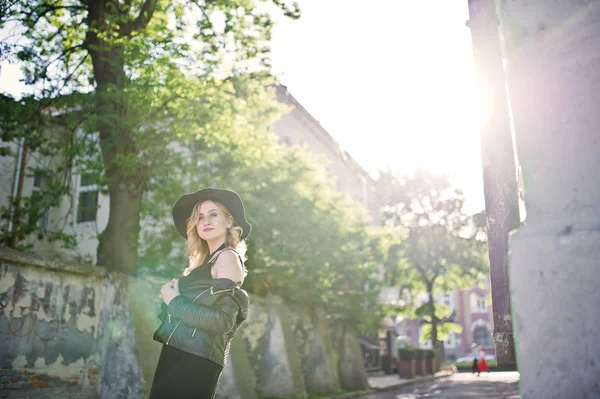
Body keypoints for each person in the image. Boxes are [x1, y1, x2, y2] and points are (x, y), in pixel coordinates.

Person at [150, 188, 251, 399]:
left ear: (229, 222)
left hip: (196, 359)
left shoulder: (228, 257)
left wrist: (174, 301)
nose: (206, 221)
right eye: (200, 217)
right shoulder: (206, 261)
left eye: (213, 214)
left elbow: (223, 321)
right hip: (180, 351)